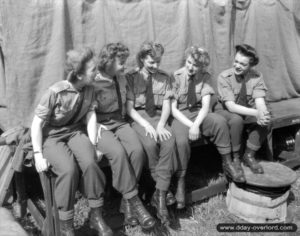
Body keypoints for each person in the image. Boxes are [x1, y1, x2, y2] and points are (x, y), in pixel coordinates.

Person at [31, 48, 112, 236]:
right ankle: (66, 226)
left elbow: (90, 115)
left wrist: (93, 145)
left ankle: (96, 215)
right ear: (79, 74)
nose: (97, 73)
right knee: (68, 170)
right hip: (51, 136)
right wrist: (37, 155)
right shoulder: (55, 92)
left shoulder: (90, 89)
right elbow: (36, 125)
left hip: (75, 132)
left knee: (91, 163)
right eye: (92, 70)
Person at [89, 43, 155, 230]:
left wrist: (145, 123)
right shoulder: (93, 81)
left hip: (119, 121)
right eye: (121, 62)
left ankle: (126, 202)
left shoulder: (122, 78)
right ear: (108, 61)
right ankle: (134, 203)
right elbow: (88, 114)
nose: (124, 66)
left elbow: (127, 105)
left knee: (137, 151)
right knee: (117, 152)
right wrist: (94, 139)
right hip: (100, 125)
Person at [170, 46, 245, 210]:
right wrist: (191, 126)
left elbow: (204, 107)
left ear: (202, 67)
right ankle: (180, 181)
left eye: (195, 65)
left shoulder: (205, 77)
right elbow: (173, 109)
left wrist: (196, 124)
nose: (191, 67)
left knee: (219, 121)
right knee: (181, 141)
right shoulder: (176, 76)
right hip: (181, 116)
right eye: (189, 62)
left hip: (198, 114)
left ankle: (228, 163)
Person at [126, 41, 176, 225]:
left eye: (158, 62)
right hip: (139, 117)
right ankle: (162, 189)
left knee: (169, 142)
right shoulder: (131, 77)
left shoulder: (165, 77)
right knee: (148, 144)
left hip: (157, 116)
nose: (155, 66)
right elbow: (129, 108)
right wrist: (146, 125)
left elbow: (166, 104)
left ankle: (159, 195)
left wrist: (161, 124)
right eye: (151, 62)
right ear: (141, 59)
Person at [216, 44, 271, 176]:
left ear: (251, 66)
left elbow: (259, 101)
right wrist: (256, 113)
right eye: (236, 61)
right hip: (228, 112)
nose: (237, 66)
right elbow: (231, 106)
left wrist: (262, 114)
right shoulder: (224, 77)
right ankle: (236, 159)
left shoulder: (256, 76)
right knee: (237, 120)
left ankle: (249, 155)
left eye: (243, 64)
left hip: (247, 110)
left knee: (267, 120)